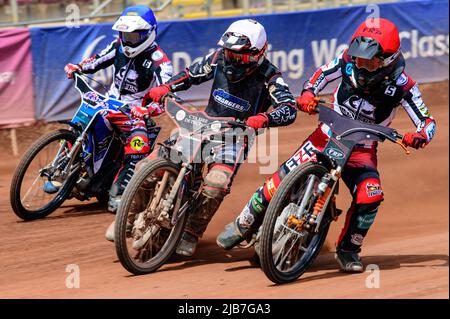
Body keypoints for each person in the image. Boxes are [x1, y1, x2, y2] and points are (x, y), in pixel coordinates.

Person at [217, 18, 436, 272]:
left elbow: (428, 121)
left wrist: (420, 135)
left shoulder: (404, 86)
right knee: (282, 175)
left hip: (362, 148)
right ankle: (245, 221)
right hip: (328, 133)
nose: (360, 65)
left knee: (370, 195)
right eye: (358, 58)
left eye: (368, 61)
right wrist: (308, 93)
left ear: (387, 60)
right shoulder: (346, 62)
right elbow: (319, 75)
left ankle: (349, 249)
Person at [142, 19, 297, 256]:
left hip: (235, 136)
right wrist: (167, 87)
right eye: (229, 52)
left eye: (239, 55)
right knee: (149, 163)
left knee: (216, 183)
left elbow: (289, 108)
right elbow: (190, 75)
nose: (232, 59)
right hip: (202, 124)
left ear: (258, 53)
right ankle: (131, 214)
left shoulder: (270, 76)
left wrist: (265, 118)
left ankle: (191, 232)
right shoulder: (217, 59)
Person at [64, 5, 173, 225]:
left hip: (135, 112)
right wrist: (78, 67)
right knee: (83, 123)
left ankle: (121, 192)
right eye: (125, 34)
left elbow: (165, 98)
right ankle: (66, 170)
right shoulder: (118, 46)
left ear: (148, 33)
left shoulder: (160, 61)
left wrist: (148, 109)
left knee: (138, 144)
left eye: (134, 35)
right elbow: (95, 61)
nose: (128, 39)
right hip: (109, 102)